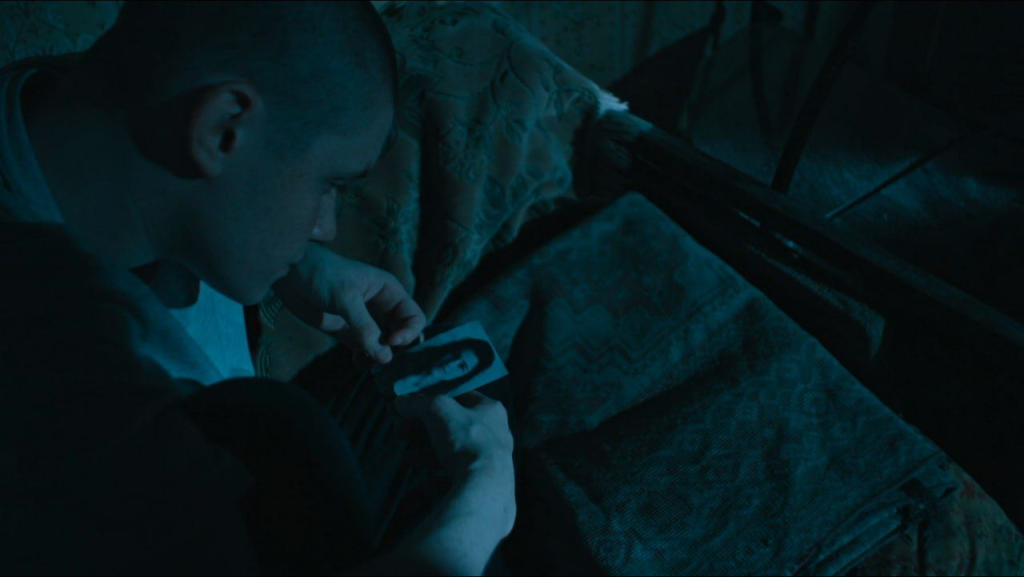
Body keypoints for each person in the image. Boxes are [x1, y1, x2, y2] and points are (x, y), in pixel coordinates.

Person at [0, 1, 514, 574]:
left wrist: (295, 261)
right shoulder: (65, 380)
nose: (326, 226)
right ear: (223, 129)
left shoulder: (69, 107)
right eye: (329, 184)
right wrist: (485, 501)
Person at [379, 338, 497, 396]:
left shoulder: (430, 402)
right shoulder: (400, 359)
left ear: (465, 376)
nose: (450, 364)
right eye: (455, 355)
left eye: (462, 366)